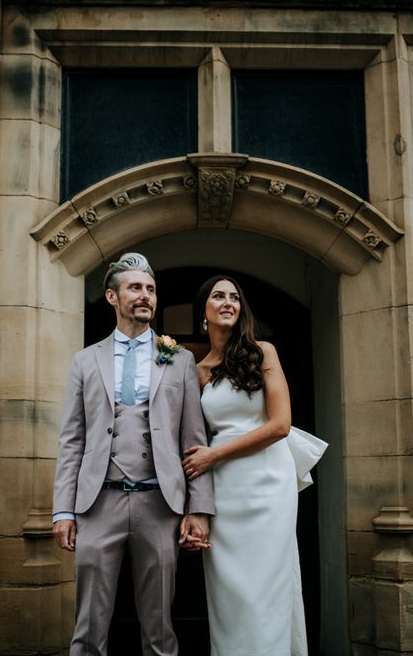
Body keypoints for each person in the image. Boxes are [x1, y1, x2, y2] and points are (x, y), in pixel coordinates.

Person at [52, 252, 215, 656]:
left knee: (159, 626)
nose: (145, 296)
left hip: (160, 504)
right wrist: (63, 511)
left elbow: (193, 439)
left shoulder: (179, 360)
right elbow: (72, 439)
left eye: (151, 289)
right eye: (135, 288)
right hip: (97, 503)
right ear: (112, 296)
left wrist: (199, 509)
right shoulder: (85, 360)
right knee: (88, 626)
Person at [182, 276, 311, 655]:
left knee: (268, 589)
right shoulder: (197, 369)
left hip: (268, 482)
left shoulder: (262, 352)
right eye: (218, 296)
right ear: (203, 310)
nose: (228, 302)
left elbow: (280, 425)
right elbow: (191, 434)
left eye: (235, 297)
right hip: (225, 490)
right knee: (230, 593)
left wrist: (214, 455)